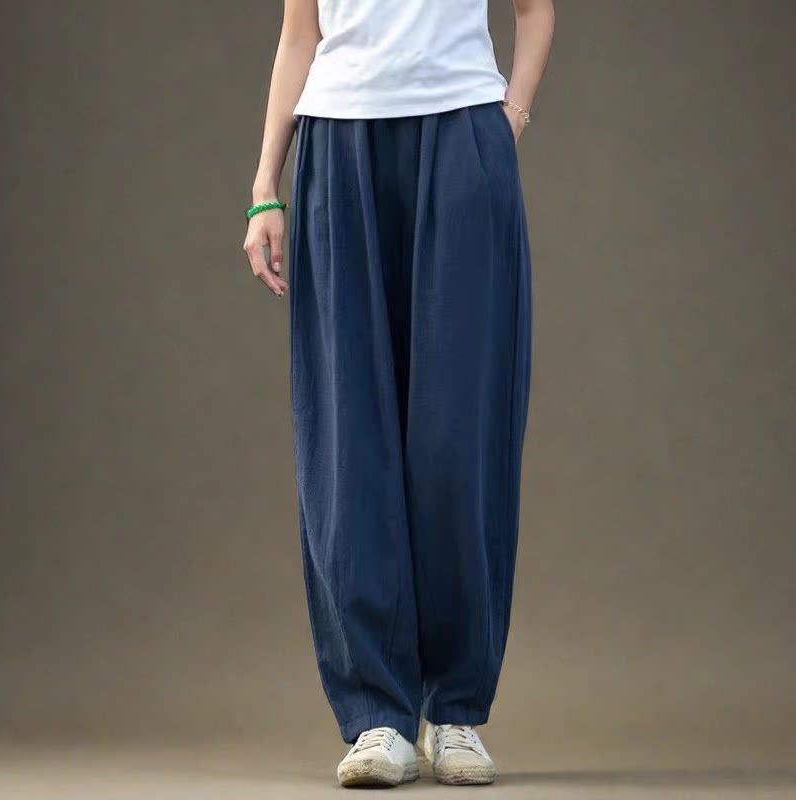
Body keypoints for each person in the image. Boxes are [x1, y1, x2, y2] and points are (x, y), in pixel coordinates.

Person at [243, 0, 555, 788]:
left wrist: (510, 117)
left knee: (459, 435)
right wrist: (265, 185)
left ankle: (455, 710)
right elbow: (300, 35)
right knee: (349, 437)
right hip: (336, 146)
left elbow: (535, 10)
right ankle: (377, 717)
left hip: (461, 135)